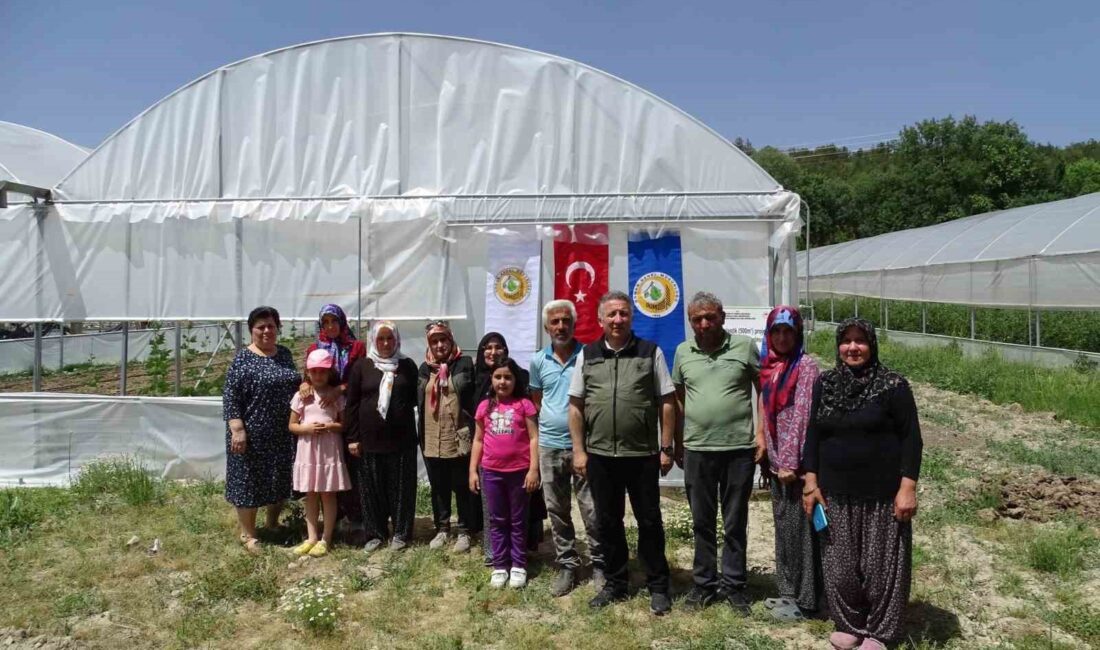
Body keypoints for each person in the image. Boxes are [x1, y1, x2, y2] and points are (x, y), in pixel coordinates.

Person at [802, 318, 922, 650]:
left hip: (882, 494)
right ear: (838, 345)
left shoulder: (893, 385)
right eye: (846, 341)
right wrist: (811, 480)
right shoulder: (825, 383)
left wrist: (907, 486)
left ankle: (880, 631)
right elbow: (813, 433)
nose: (853, 348)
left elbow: (912, 439)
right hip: (835, 492)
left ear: (872, 345)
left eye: (860, 341)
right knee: (840, 566)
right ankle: (850, 623)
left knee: (880, 566)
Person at [568, 290, 677, 616]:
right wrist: (579, 451)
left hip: (641, 454)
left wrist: (666, 447)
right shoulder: (587, 355)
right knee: (608, 521)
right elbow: (575, 405)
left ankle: (658, 585)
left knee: (649, 521)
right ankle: (616, 583)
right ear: (600, 320)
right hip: (600, 455)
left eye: (623, 314)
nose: (617, 320)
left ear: (632, 318)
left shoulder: (649, 352)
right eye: (611, 314)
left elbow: (667, 400)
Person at [671, 292, 761, 614]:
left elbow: (762, 389)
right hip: (698, 450)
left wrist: (761, 433)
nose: (704, 323)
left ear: (722, 317)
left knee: (736, 520)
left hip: (738, 449)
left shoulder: (745, 348)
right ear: (691, 322)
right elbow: (679, 399)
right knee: (702, 521)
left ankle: (735, 586)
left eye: (710, 316)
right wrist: (678, 442)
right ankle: (704, 585)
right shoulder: (683, 352)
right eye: (697, 318)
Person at [529, 299, 603, 596]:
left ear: (574, 324)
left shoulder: (590, 355)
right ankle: (568, 565)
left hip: (584, 448)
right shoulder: (538, 361)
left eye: (565, 321)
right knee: (557, 511)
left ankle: (599, 564)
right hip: (549, 447)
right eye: (555, 322)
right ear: (547, 327)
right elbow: (537, 401)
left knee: (592, 509)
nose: (560, 326)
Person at [756, 305, 822, 621]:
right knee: (784, 528)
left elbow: (803, 416)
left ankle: (806, 601)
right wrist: (767, 452)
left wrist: (790, 463)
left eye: (788, 331)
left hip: (793, 466)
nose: (782, 337)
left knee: (803, 534)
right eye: (776, 331)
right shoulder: (770, 365)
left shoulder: (805, 366)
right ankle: (787, 592)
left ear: (797, 334)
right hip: (776, 462)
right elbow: (766, 411)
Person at [223, 306, 301, 553]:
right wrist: (237, 428)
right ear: (251, 331)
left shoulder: (285, 354)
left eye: (271, 326)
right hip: (251, 435)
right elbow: (231, 397)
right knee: (248, 481)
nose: (267, 331)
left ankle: (272, 523)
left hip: (282, 432)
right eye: (261, 327)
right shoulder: (242, 359)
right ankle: (248, 534)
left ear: (278, 328)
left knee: (279, 478)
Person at [345, 321, 420, 552]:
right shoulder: (362, 366)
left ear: (397, 340)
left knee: (402, 488)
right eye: (381, 339)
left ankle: (401, 532)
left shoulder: (407, 366)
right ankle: (375, 533)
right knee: (371, 489)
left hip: (402, 441)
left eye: (390, 338)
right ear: (373, 341)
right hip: (369, 441)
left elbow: (417, 399)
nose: (386, 343)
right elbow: (352, 404)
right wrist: (353, 438)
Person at [473, 332, 546, 564]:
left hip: (519, 464)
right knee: (495, 513)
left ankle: (520, 556)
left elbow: (533, 433)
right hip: (490, 462)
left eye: (498, 347)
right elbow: (478, 433)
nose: (493, 352)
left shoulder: (522, 397)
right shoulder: (477, 380)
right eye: (487, 346)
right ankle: (496, 555)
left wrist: (534, 467)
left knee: (519, 514)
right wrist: (473, 468)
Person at [299, 304, 368, 541]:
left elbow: (360, 377)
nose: (330, 327)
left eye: (334, 321)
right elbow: (306, 378)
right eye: (325, 322)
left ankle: (356, 518)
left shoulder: (356, 347)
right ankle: (333, 519)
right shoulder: (314, 349)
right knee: (325, 467)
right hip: (321, 414)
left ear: (342, 322)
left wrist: (339, 389)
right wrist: (304, 384)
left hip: (348, 412)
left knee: (350, 465)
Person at [418, 320, 477, 553]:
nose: (440, 345)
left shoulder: (464, 363)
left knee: (462, 484)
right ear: (429, 344)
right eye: (434, 341)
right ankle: (442, 528)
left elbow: (471, 396)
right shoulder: (424, 368)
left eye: (443, 339)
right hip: (432, 435)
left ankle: (464, 530)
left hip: (458, 434)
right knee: (438, 486)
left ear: (451, 339)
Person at [288, 349, 351, 558]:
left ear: (329, 372)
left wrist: (331, 426)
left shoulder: (335, 396)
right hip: (308, 450)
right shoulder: (301, 395)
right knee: (311, 494)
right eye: (314, 372)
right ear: (308, 373)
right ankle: (311, 537)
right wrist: (306, 429)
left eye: (322, 372)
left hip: (328, 449)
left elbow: (344, 424)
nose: (318, 376)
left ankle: (327, 538)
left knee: (328, 494)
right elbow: (292, 425)